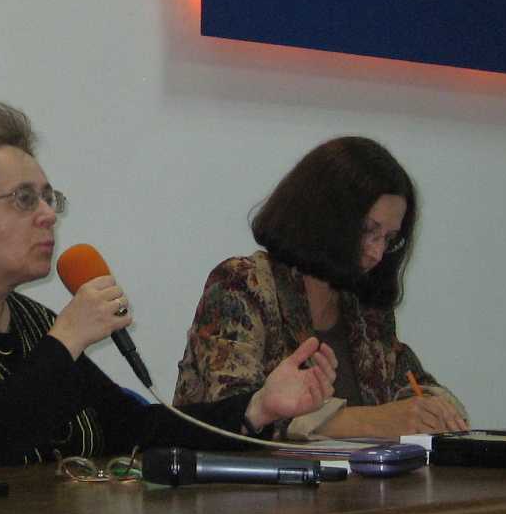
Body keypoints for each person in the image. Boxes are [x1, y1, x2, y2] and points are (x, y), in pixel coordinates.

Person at [0, 100, 335, 472]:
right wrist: (66, 340)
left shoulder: (34, 325)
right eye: (24, 199)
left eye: (49, 198)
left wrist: (257, 407)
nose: (49, 215)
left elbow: (134, 432)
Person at [173, 136, 467, 440]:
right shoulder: (243, 285)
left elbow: (417, 387)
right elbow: (233, 415)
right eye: (369, 230)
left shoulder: (365, 307)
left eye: (389, 239)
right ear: (324, 217)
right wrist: (371, 422)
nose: (377, 253)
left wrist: (432, 408)